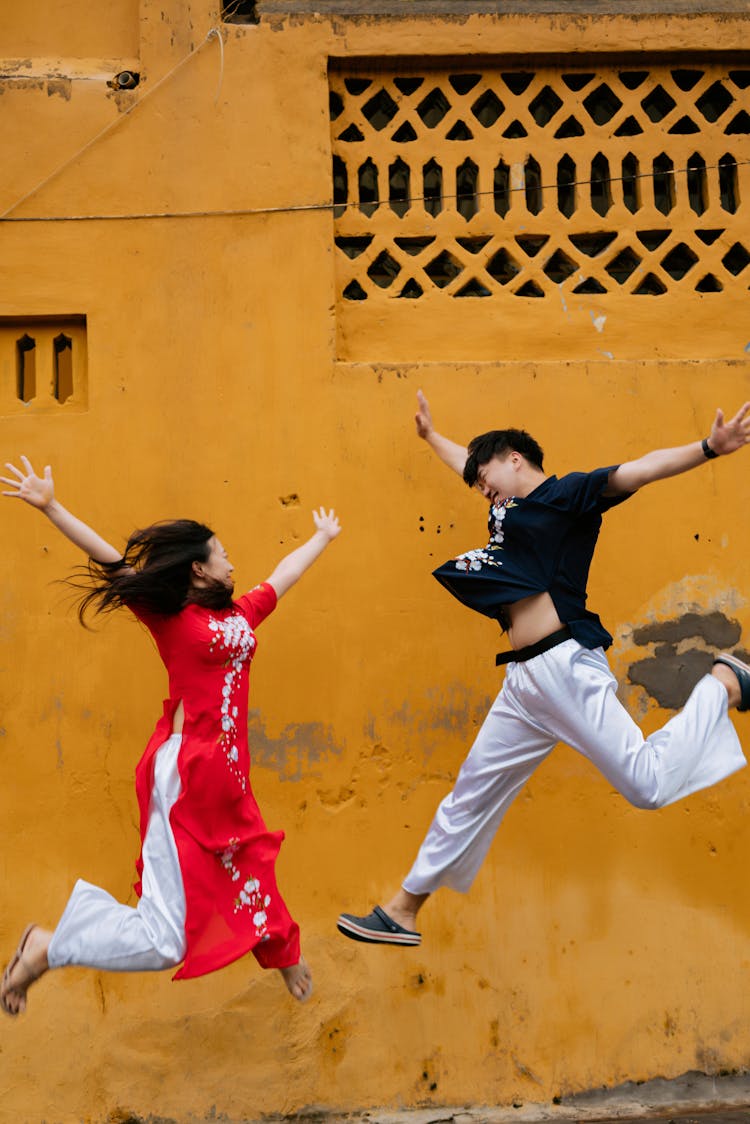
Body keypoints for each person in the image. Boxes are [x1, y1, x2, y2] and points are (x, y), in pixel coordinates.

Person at [338, 391, 750, 947]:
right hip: (524, 682)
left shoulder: (567, 495)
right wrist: (431, 437)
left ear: (514, 459)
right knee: (471, 792)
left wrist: (709, 447)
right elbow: (469, 460)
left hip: (564, 666)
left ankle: (723, 683)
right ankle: (403, 910)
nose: (479, 486)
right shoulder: (501, 505)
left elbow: (642, 470)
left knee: (647, 786)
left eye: (484, 474)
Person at [0, 456, 341, 1013]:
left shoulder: (238, 615)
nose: (232, 561)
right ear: (199, 569)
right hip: (185, 776)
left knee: (251, 858)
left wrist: (320, 539)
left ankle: (281, 952)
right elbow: (110, 560)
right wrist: (52, 506)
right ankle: (47, 947)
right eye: (222, 554)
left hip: (226, 779)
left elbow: (285, 576)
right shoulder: (171, 619)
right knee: (166, 942)